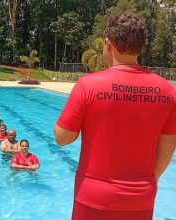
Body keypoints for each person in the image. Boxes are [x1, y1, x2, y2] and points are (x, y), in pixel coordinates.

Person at [53, 12, 176, 220]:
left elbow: (63, 138)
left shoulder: (88, 85)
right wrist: (144, 183)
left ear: (108, 44)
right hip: (141, 197)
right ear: (141, 46)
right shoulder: (166, 91)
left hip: (94, 197)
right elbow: (167, 149)